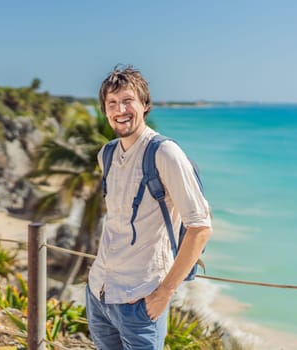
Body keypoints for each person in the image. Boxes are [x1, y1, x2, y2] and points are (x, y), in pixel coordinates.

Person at [86, 65, 212, 350]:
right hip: (100, 293)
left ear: (144, 105)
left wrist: (164, 293)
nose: (121, 110)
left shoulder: (165, 152)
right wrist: (95, 286)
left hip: (140, 302)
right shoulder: (106, 154)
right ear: (105, 111)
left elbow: (200, 227)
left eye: (128, 100)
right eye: (112, 103)